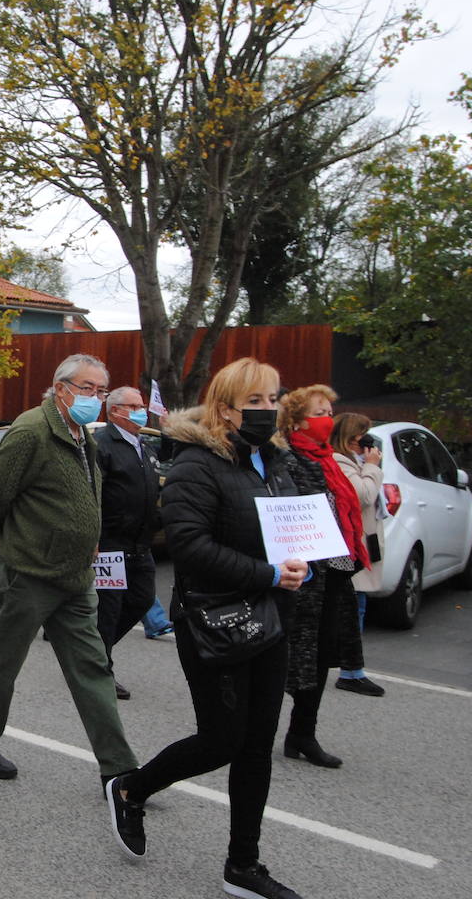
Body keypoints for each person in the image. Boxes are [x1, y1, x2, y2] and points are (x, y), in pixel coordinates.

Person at [104, 357, 309, 899]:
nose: (268, 410)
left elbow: (287, 526)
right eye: (256, 403)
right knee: (222, 739)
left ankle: (243, 865)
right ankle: (130, 788)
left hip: (271, 616)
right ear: (225, 410)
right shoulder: (198, 464)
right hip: (213, 621)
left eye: (273, 399)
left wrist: (300, 558)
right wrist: (268, 572)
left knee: (258, 746)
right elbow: (190, 547)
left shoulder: (274, 460)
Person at [0, 354, 138, 787]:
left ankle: (120, 769)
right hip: (31, 571)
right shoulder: (32, 430)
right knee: (3, 663)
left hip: (75, 575)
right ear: (61, 388)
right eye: (87, 388)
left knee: (93, 667)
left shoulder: (81, 434)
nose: (94, 397)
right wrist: (3, 540)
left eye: (100, 390)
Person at [277, 385, 366, 768]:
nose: (328, 418)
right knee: (290, 659)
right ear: (297, 420)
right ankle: (250, 732)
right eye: (319, 412)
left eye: (330, 410)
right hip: (301, 578)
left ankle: (302, 733)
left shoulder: (330, 459)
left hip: (333, 573)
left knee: (321, 656)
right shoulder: (286, 460)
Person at [95, 387, 162, 699]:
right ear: (115, 411)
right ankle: (99, 668)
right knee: (109, 609)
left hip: (141, 544)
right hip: (110, 543)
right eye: (133, 406)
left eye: (141, 405)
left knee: (142, 598)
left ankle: (91, 651)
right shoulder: (102, 445)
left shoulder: (145, 446)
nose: (141, 410)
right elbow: (94, 495)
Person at [330, 413, 386, 697]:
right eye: (361, 435)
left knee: (355, 604)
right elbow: (363, 494)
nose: (366, 441)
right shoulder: (341, 461)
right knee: (354, 605)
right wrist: (373, 467)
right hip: (352, 544)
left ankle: (352, 667)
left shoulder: (356, 462)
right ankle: (351, 670)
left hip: (362, 541)